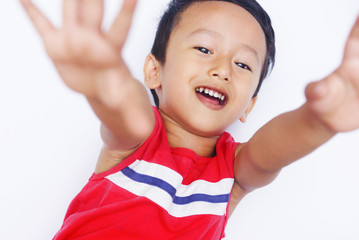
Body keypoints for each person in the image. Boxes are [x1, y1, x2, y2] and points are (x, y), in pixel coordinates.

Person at [19, 0, 359, 239]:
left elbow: (272, 149)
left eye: (243, 65)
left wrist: (318, 121)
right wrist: (105, 81)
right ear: (155, 71)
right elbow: (125, 109)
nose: (222, 69)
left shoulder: (233, 172)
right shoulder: (138, 138)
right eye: (204, 49)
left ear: (249, 105)